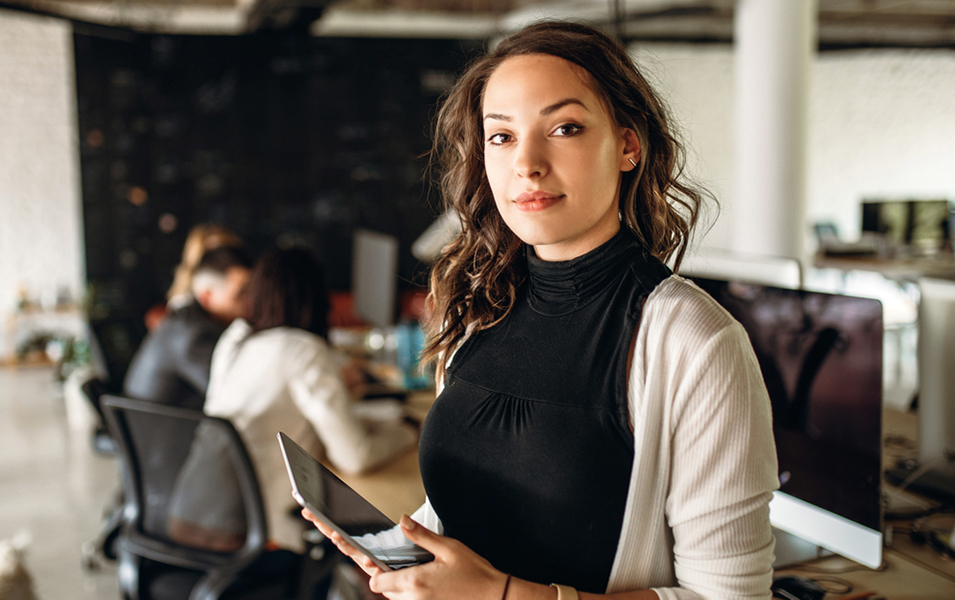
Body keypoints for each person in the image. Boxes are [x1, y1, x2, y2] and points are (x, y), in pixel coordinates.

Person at [304, 21, 779, 600]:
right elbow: (471, 509)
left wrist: (501, 595)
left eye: (565, 127)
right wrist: (410, 549)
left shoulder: (693, 340)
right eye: (501, 136)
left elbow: (731, 597)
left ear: (628, 145)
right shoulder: (482, 308)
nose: (526, 163)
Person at [204, 247, 417, 552]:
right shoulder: (303, 349)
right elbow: (355, 457)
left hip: (205, 510)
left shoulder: (234, 340)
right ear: (316, 297)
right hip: (267, 530)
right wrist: (408, 431)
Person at [123, 246, 253, 410]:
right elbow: (233, 397)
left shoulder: (186, 319)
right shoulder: (195, 336)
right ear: (206, 297)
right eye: (241, 294)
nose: (250, 302)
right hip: (165, 432)